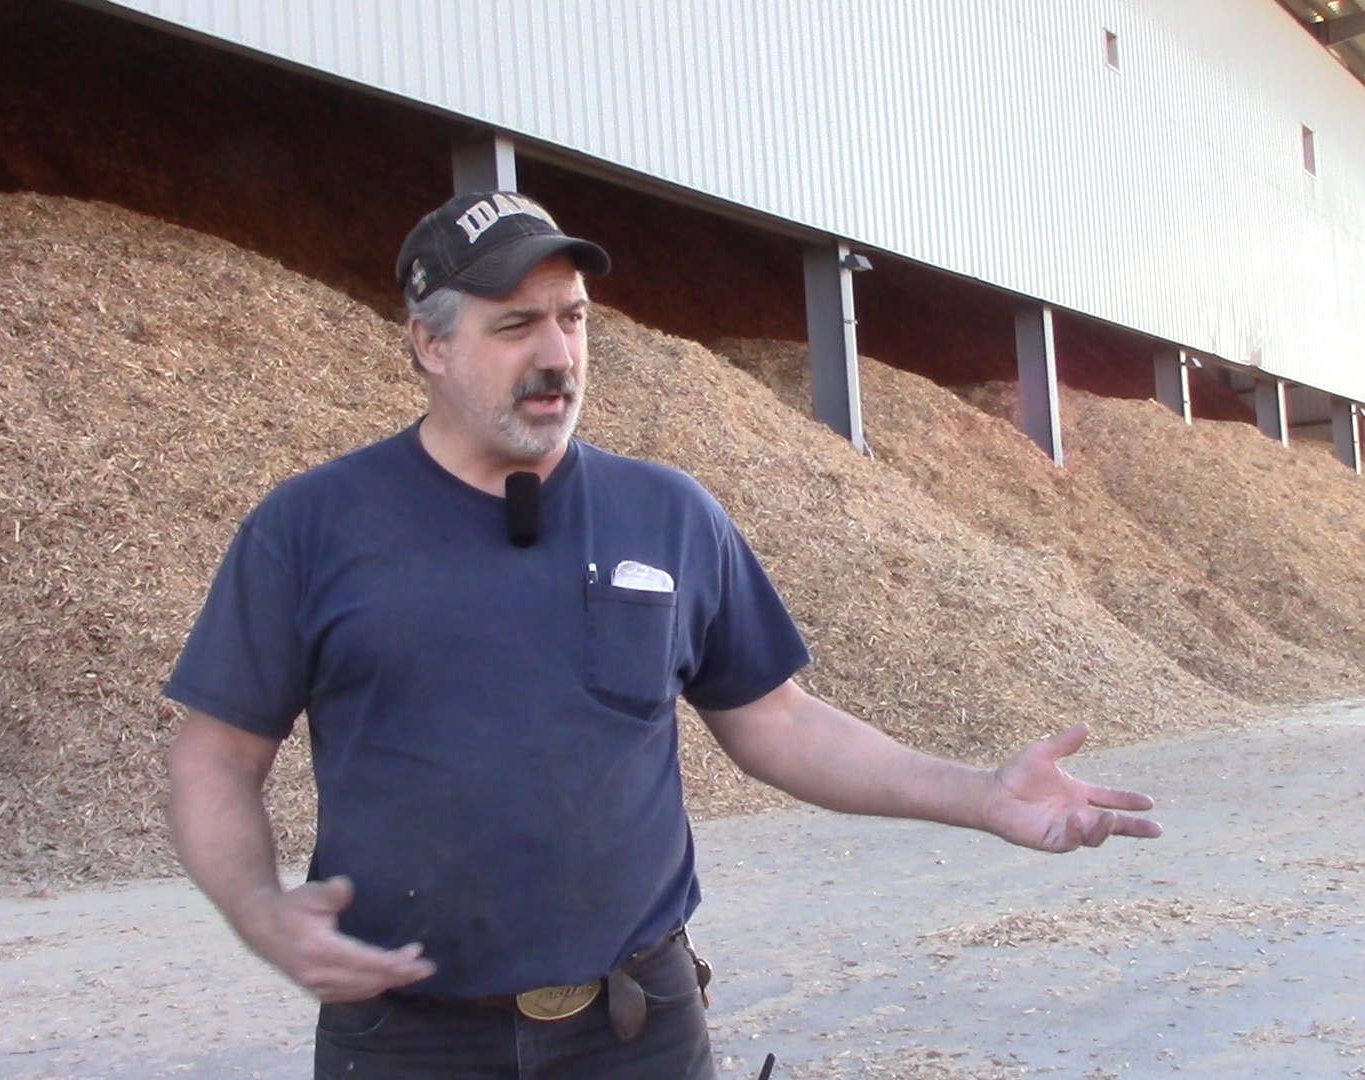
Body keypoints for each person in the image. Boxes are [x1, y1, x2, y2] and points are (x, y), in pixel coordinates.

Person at [163, 190, 1164, 1080]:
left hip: (637, 1028)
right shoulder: (311, 527)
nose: (557, 355)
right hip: (404, 1040)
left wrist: (980, 795)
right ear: (430, 343)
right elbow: (212, 758)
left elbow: (776, 721)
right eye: (516, 326)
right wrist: (261, 911)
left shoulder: (669, 514)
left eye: (573, 320)